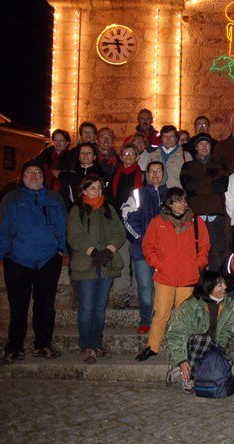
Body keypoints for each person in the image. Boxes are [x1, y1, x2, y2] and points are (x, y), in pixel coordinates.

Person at [0, 159, 67, 365]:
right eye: (29, 172)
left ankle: (43, 344)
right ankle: (14, 347)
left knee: (45, 305)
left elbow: (62, 225)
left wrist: (61, 250)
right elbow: (0, 228)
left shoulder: (54, 198)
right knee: (18, 306)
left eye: (38, 173)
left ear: (43, 177)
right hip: (18, 260)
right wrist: (5, 253)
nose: (34, 176)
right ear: (23, 176)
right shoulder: (11, 198)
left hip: (48, 259)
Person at [135, 187, 210, 361]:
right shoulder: (157, 222)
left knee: (184, 316)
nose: (183, 204)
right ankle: (152, 346)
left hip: (188, 276)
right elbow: (148, 246)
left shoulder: (196, 222)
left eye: (184, 200)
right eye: (178, 201)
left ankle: (183, 348)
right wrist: (159, 264)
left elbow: (204, 245)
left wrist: (197, 265)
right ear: (169, 204)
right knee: (160, 313)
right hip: (165, 276)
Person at [67, 174, 126, 364]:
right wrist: (93, 252)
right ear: (84, 190)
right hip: (86, 265)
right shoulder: (77, 210)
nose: (97, 191)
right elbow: (74, 236)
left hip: (106, 264)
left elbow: (119, 232)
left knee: (100, 308)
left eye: (99, 187)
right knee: (87, 307)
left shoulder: (108, 209)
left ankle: (97, 343)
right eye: (92, 188)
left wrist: (108, 250)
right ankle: (87, 346)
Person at [166, 271, 234, 392]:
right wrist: (181, 360)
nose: (225, 287)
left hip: (211, 345)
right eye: (219, 285)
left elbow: (227, 329)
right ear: (209, 288)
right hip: (188, 347)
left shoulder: (227, 302)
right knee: (203, 340)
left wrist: (220, 350)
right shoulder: (191, 305)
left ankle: (181, 372)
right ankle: (188, 377)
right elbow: (176, 334)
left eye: (224, 283)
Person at [122, 160, 168, 334]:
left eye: (159, 171)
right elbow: (127, 218)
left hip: (166, 252)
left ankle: (163, 322)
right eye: (152, 171)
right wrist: (143, 240)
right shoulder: (137, 194)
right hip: (142, 251)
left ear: (164, 174)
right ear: (147, 175)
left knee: (165, 290)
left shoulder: (172, 195)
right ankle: (145, 321)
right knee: (145, 289)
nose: (155, 174)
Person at [180, 133, 229, 271]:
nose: (204, 147)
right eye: (201, 144)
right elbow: (188, 186)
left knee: (216, 253)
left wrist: (198, 186)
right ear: (196, 147)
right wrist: (211, 179)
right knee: (197, 253)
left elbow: (222, 186)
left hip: (216, 214)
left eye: (207, 144)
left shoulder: (220, 166)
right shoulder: (187, 166)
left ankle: (215, 282)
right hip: (196, 215)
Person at [108, 143, 145, 308]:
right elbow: (110, 198)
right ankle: (121, 293)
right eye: (125, 153)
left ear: (137, 156)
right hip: (119, 223)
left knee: (137, 259)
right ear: (121, 156)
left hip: (137, 224)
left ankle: (136, 293)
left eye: (132, 153)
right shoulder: (115, 175)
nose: (128, 156)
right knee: (121, 259)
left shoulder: (142, 176)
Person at [58, 142, 105, 208]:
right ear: (79, 157)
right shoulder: (70, 175)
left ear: (94, 157)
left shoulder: (101, 174)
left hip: (96, 209)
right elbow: (63, 196)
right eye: (82, 152)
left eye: (89, 153)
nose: (85, 155)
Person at [38, 128, 71, 193]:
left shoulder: (70, 158)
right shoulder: (44, 154)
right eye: (56, 140)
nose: (58, 143)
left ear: (67, 143)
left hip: (60, 192)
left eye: (61, 140)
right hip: (42, 189)